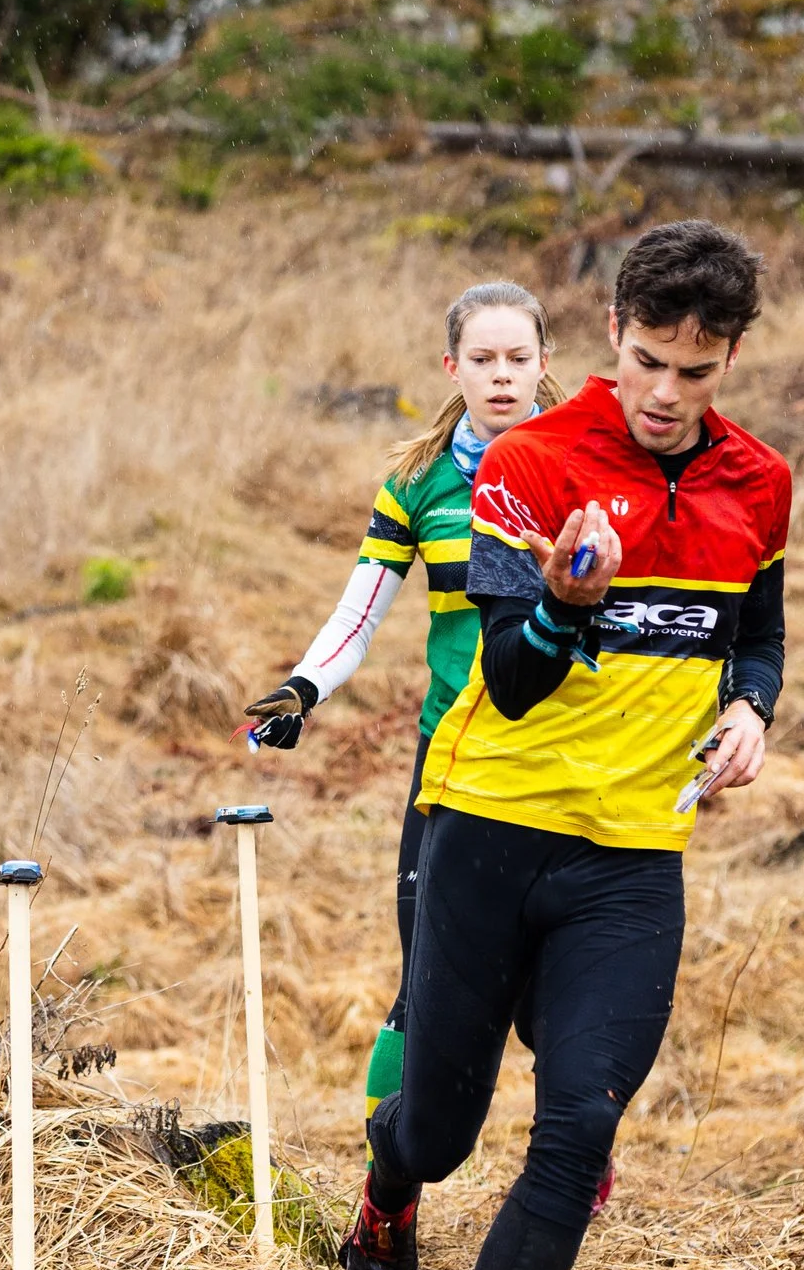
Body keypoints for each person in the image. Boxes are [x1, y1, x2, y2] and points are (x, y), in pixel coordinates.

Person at [339, 221, 791, 1270]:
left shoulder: (759, 482)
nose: (663, 392)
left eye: (693, 372)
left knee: (576, 1132)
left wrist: (751, 707)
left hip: (634, 858)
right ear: (610, 336)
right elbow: (513, 671)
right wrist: (563, 603)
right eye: (646, 360)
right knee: (438, 1129)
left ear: (728, 359)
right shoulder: (530, 461)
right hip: (487, 830)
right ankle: (390, 1183)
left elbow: (759, 631)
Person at [241, 282, 567, 1129]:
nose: (503, 377)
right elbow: (361, 609)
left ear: (545, 362)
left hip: (563, 751)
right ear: (452, 366)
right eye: (484, 360)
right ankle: (387, 1186)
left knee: (550, 989)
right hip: (453, 753)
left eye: (519, 359)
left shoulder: (585, 466)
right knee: (421, 971)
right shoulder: (419, 485)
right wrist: (303, 687)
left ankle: (577, 1138)